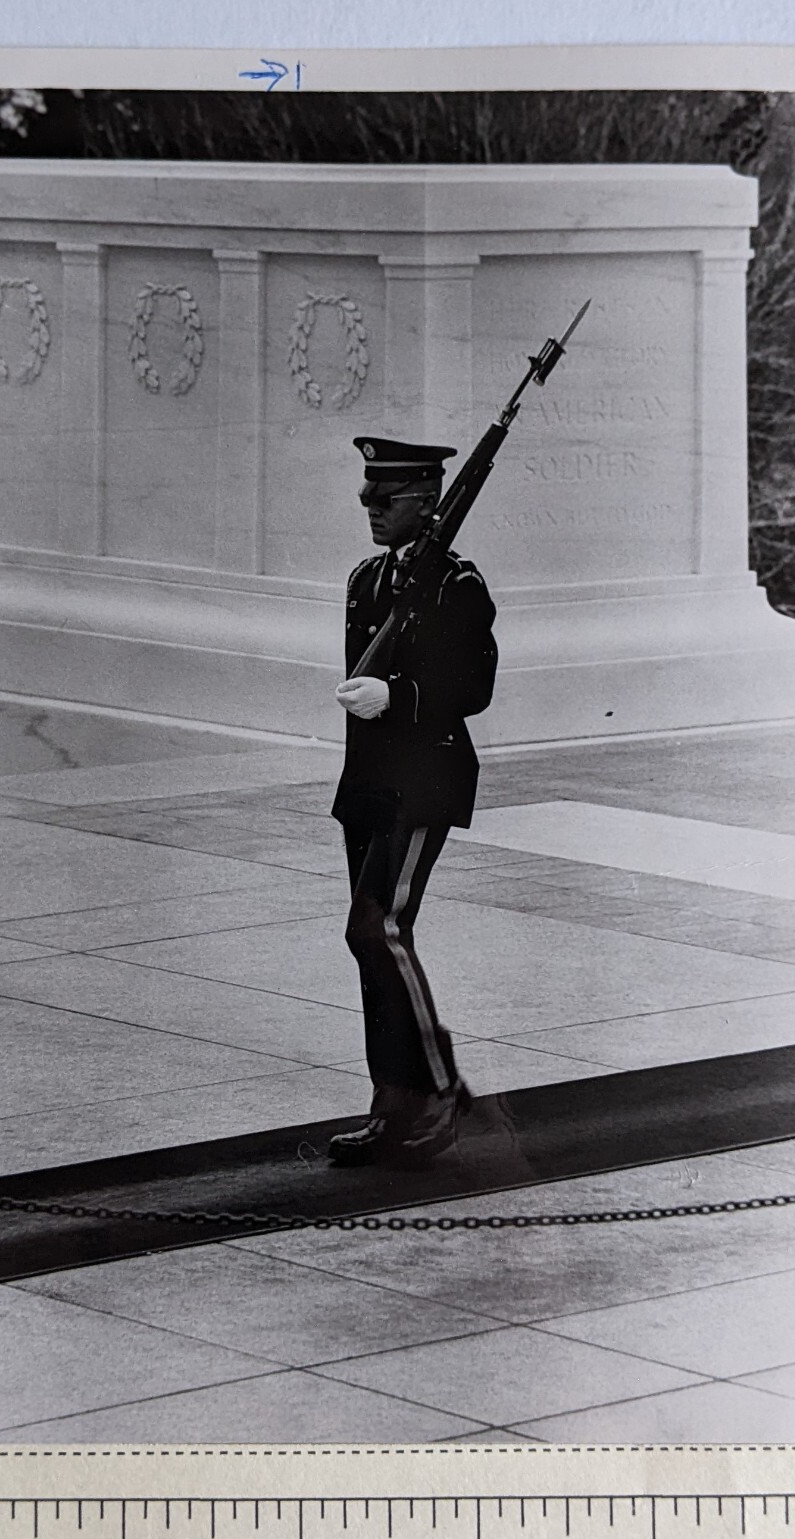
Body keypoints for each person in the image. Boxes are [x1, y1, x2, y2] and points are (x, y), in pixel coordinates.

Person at [328, 435, 497, 1169]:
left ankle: (437, 1094)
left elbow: (474, 688)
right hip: (368, 782)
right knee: (374, 945)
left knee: (378, 930)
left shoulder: (456, 583)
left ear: (427, 500)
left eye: (384, 496)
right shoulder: (366, 579)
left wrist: (397, 695)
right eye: (367, 492)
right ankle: (392, 1106)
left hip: (425, 781)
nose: (368, 506)